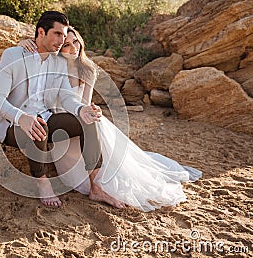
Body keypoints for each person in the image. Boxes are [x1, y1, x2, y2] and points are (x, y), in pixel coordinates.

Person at [18, 26, 202, 212]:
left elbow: (84, 103)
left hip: (79, 119)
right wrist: (23, 42)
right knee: (78, 175)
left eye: (75, 42)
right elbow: (36, 52)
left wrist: (87, 110)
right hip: (60, 126)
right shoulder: (53, 66)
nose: (73, 48)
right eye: (66, 45)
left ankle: (98, 180)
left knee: (94, 125)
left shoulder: (88, 70)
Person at [0, 11, 126, 208]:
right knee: (38, 126)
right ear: (41, 32)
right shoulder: (13, 55)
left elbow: (66, 97)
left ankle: (96, 186)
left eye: (64, 35)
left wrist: (81, 110)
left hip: (46, 117)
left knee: (86, 120)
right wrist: (21, 118)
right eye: (58, 34)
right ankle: (43, 183)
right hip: (13, 124)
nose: (62, 40)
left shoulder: (59, 62)